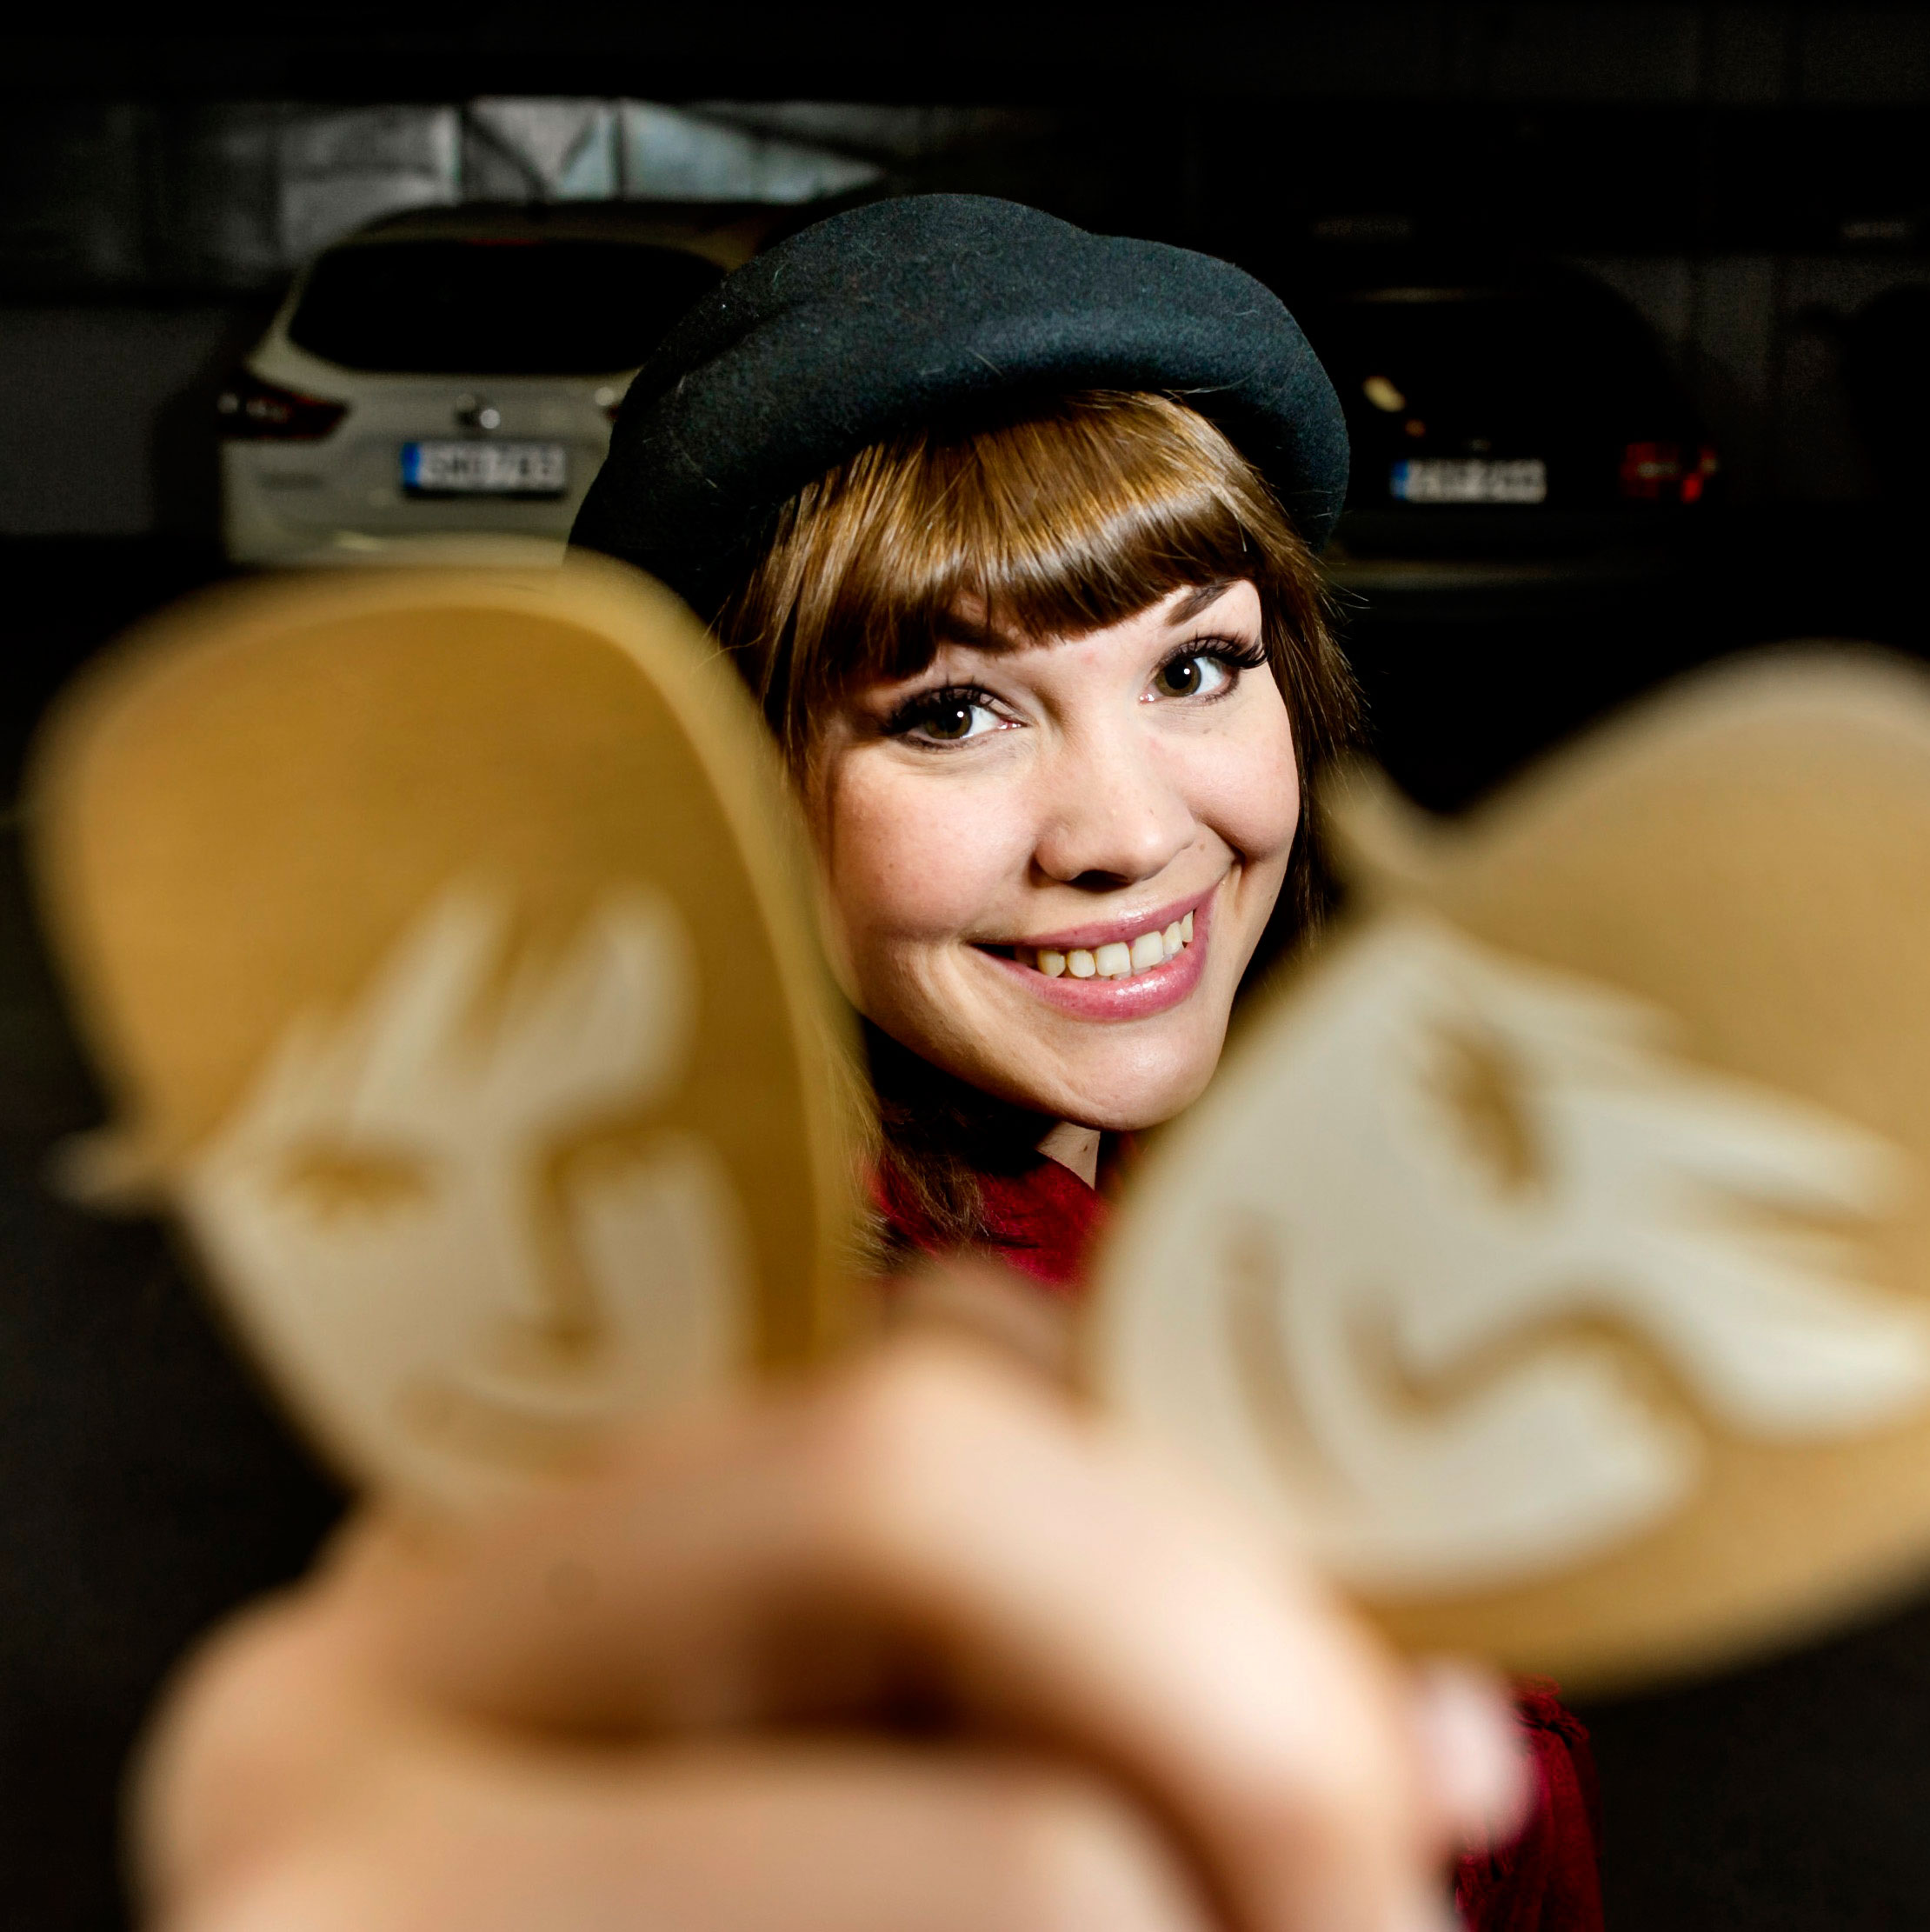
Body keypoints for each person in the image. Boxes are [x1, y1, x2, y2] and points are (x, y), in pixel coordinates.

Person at [134, 197, 1595, 1931]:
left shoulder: (1252, 1203)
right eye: (950, 710)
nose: (1129, 831)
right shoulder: (820, 1442)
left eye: (1198, 665)